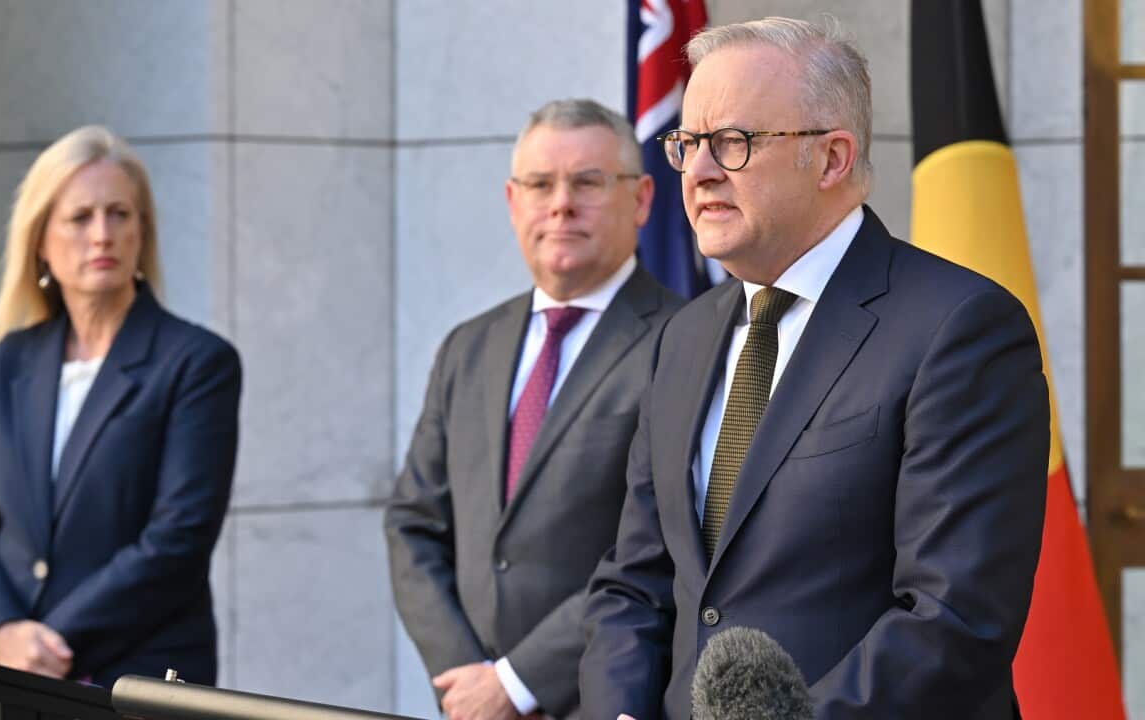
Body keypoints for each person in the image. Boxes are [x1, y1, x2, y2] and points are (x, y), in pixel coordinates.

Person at [579, 17, 1049, 720]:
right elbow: (635, 583)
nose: (699, 172)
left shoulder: (960, 328)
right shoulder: (684, 336)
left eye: (733, 142)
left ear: (831, 159)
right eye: (687, 144)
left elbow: (953, 618)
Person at [385, 99, 683, 720]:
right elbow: (414, 523)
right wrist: (467, 680)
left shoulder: (685, 343)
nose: (561, 204)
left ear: (642, 199)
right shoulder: (468, 347)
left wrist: (517, 684)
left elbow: (662, 547)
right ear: (512, 200)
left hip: (608, 699)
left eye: (588, 182)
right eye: (541, 184)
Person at [0, 125, 241, 687]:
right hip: (8, 676)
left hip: (136, 679)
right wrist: (3, 631)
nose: (103, 235)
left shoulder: (197, 362)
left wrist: (46, 645)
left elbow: (178, 539)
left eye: (120, 214)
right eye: (80, 218)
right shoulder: (3, 362)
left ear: (142, 231)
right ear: (41, 240)